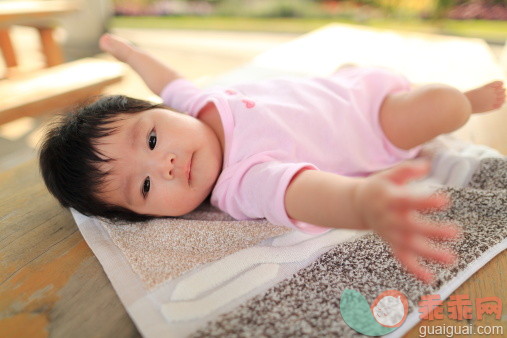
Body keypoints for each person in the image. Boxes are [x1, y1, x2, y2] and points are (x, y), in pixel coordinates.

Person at [39, 34, 505, 284]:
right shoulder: (242, 181)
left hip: (339, 87)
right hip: (377, 122)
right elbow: (303, 193)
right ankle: (468, 101)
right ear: (146, 215)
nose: (164, 165)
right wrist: (362, 203)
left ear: (161, 112)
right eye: (144, 187)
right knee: (443, 104)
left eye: (153, 140)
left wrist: (127, 52)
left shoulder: (196, 104)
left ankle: (357, 76)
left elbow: (169, 79)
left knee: (345, 73)